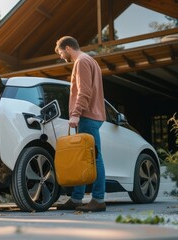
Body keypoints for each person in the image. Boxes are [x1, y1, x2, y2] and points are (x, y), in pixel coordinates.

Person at [54, 36, 107, 212]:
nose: (61, 56)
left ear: (68, 48)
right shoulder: (90, 61)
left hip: (87, 116)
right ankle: (77, 198)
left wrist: (76, 114)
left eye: (61, 52)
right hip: (91, 116)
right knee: (83, 158)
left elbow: (85, 92)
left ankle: (98, 199)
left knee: (94, 158)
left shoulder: (81, 62)